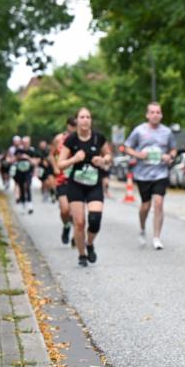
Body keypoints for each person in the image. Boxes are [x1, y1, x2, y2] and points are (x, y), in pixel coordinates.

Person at [56, 107, 112, 267]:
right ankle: (81, 255)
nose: (85, 120)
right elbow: (60, 164)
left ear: (91, 120)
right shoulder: (71, 140)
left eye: (88, 117)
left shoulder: (98, 138)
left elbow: (109, 156)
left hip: (94, 184)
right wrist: (74, 159)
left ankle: (90, 243)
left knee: (95, 220)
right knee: (79, 222)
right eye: (82, 117)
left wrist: (103, 160)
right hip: (75, 185)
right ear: (77, 120)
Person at [124, 102, 177, 249]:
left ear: (161, 115)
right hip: (143, 174)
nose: (155, 115)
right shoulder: (139, 131)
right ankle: (142, 228)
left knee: (159, 203)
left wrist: (169, 157)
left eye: (158, 112)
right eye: (152, 112)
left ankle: (156, 237)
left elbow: (173, 150)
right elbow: (127, 147)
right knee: (145, 206)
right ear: (147, 115)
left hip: (160, 173)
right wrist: (138, 154)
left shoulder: (167, 132)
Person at [52, 117, 77, 245]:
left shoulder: (82, 139)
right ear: (67, 125)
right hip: (62, 178)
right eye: (72, 125)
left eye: (76, 125)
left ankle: (76, 236)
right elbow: (51, 154)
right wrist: (55, 167)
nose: (74, 128)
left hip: (77, 179)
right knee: (65, 210)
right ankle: (66, 226)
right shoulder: (59, 139)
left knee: (76, 211)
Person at [13, 135, 39, 214]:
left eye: (26, 142)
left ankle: (30, 204)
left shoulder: (32, 151)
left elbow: (35, 162)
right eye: (24, 142)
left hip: (28, 172)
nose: (25, 144)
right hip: (19, 172)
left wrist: (28, 158)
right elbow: (13, 160)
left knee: (27, 186)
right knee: (21, 187)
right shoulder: (18, 151)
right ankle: (22, 204)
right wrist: (18, 157)